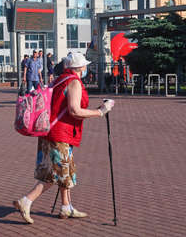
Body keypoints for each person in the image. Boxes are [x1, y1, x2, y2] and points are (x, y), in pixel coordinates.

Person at [13, 53, 115, 224]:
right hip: (61, 134)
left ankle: (66, 206)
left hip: (48, 131)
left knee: (63, 171)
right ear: (78, 68)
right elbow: (74, 110)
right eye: (84, 66)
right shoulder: (74, 82)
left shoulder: (59, 79)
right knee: (56, 173)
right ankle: (26, 201)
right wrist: (100, 112)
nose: (85, 68)